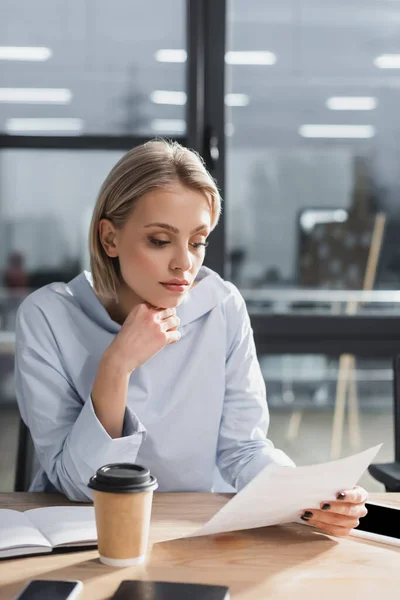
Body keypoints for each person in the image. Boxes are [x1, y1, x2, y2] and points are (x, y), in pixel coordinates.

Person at [15, 140, 368, 537]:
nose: (184, 262)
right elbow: (78, 486)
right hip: (82, 532)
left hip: (197, 529)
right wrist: (116, 366)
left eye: (197, 241)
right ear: (109, 239)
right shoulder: (47, 316)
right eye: (160, 241)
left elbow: (244, 449)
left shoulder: (222, 306)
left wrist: (308, 497)